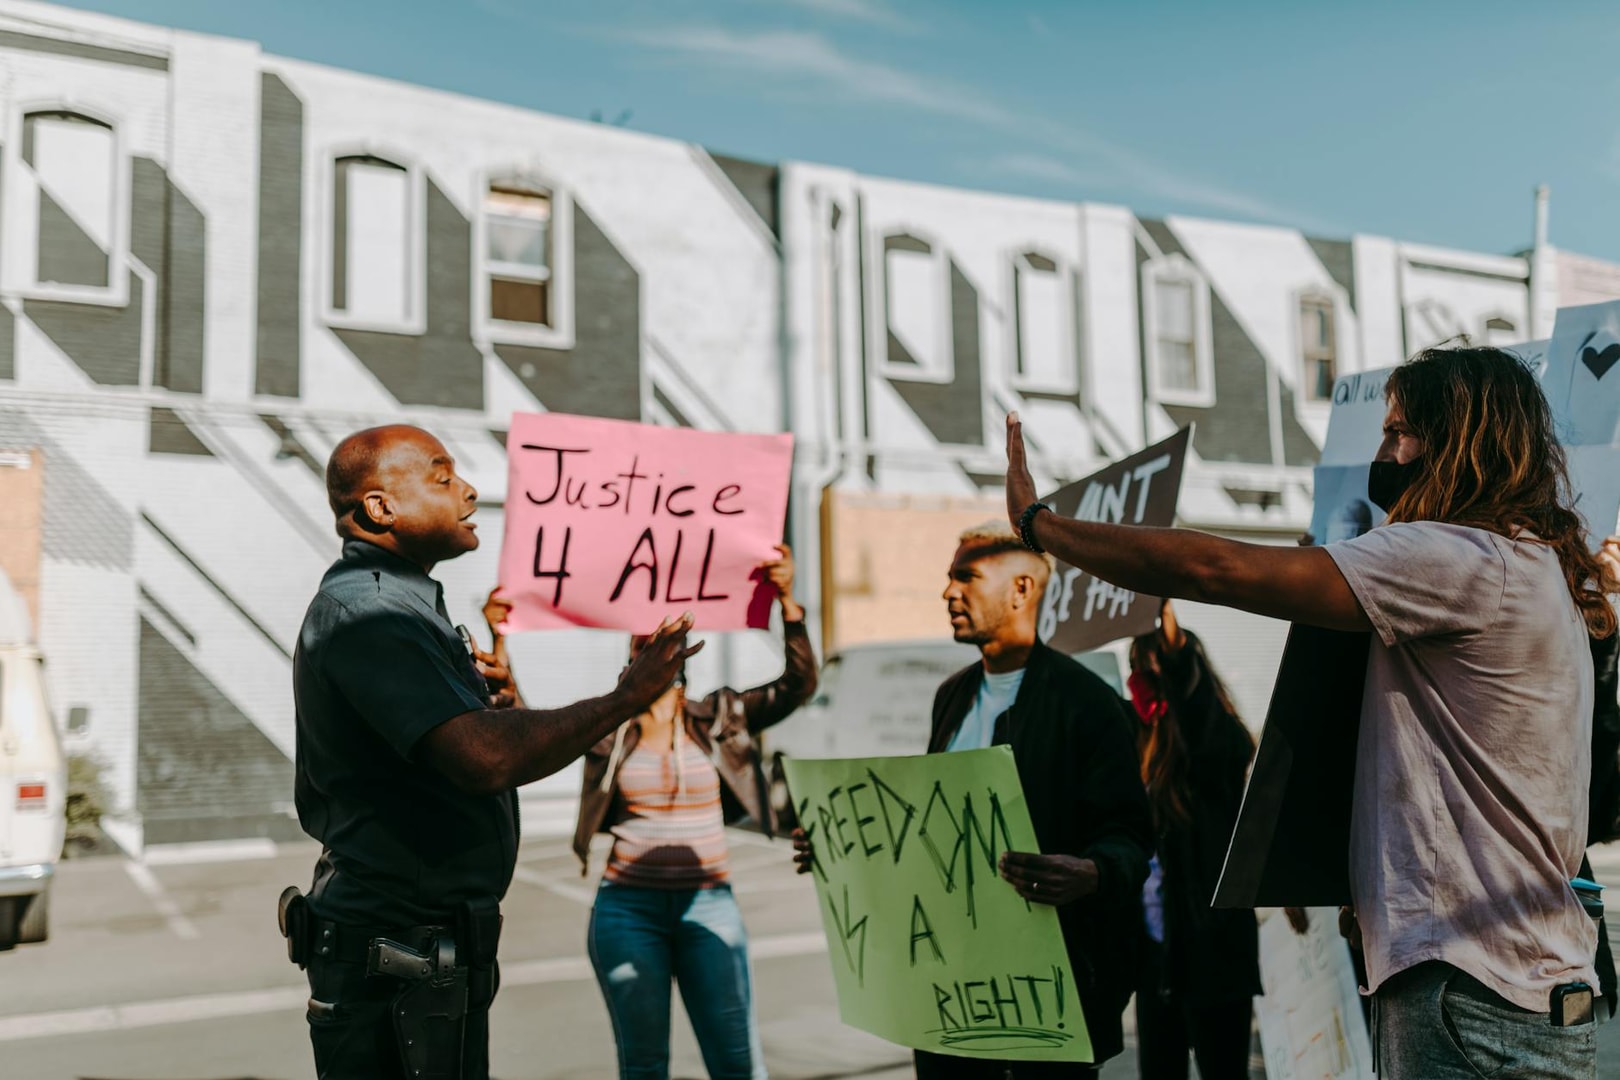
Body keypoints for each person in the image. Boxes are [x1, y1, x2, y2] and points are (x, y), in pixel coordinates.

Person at [1004, 346, 1616, 1080]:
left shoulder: (1459, 560)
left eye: (1398, 434)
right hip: (1529, 984)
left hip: (1468, 991)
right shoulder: (1537, 564)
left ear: (1460, 440)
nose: (1383, 455)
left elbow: (1214, 569)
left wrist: (1041, 526)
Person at [282, 424, 695, 1080]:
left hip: (420, 959)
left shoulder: (400, 606)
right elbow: (484, 760)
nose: (470, 492)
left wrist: (488, 706)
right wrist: (627, 696)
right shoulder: (373, 613)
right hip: (397, 961)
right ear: (380, 508)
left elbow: (463, 750)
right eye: (444, 478)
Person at [793, 521, 1154, 1079]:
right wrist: (835, 844)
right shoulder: (952, 697)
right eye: (949, 578)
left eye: (967, 577)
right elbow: (930, 831)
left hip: (1048, 1002)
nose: (948, 593)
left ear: (1022, 590)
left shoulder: (1088, 704)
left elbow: (1131, 836)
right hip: (950, 996)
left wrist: (1090, 872)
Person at [485, 545, 816, 1080]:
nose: (656, 639)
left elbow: (798, 685)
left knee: (737, 1064)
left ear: (687, 648)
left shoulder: (721, 716)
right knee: (643, 1067)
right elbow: (528, 730)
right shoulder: (609, 726)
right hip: (627, 912)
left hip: (710, 905)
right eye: (644, 636)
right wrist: (501, 637)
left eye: (668, 634)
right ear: (630, 653)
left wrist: (788, 602)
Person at [1128, 599, 1259, 1080]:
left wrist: (1176, 649)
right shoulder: (1134, 746)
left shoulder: (1216, 747)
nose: (1140, 680)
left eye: (1150, 666)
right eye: (1134, 668)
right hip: (1156, 957)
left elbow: (1204, 728)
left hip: (1213, 955)